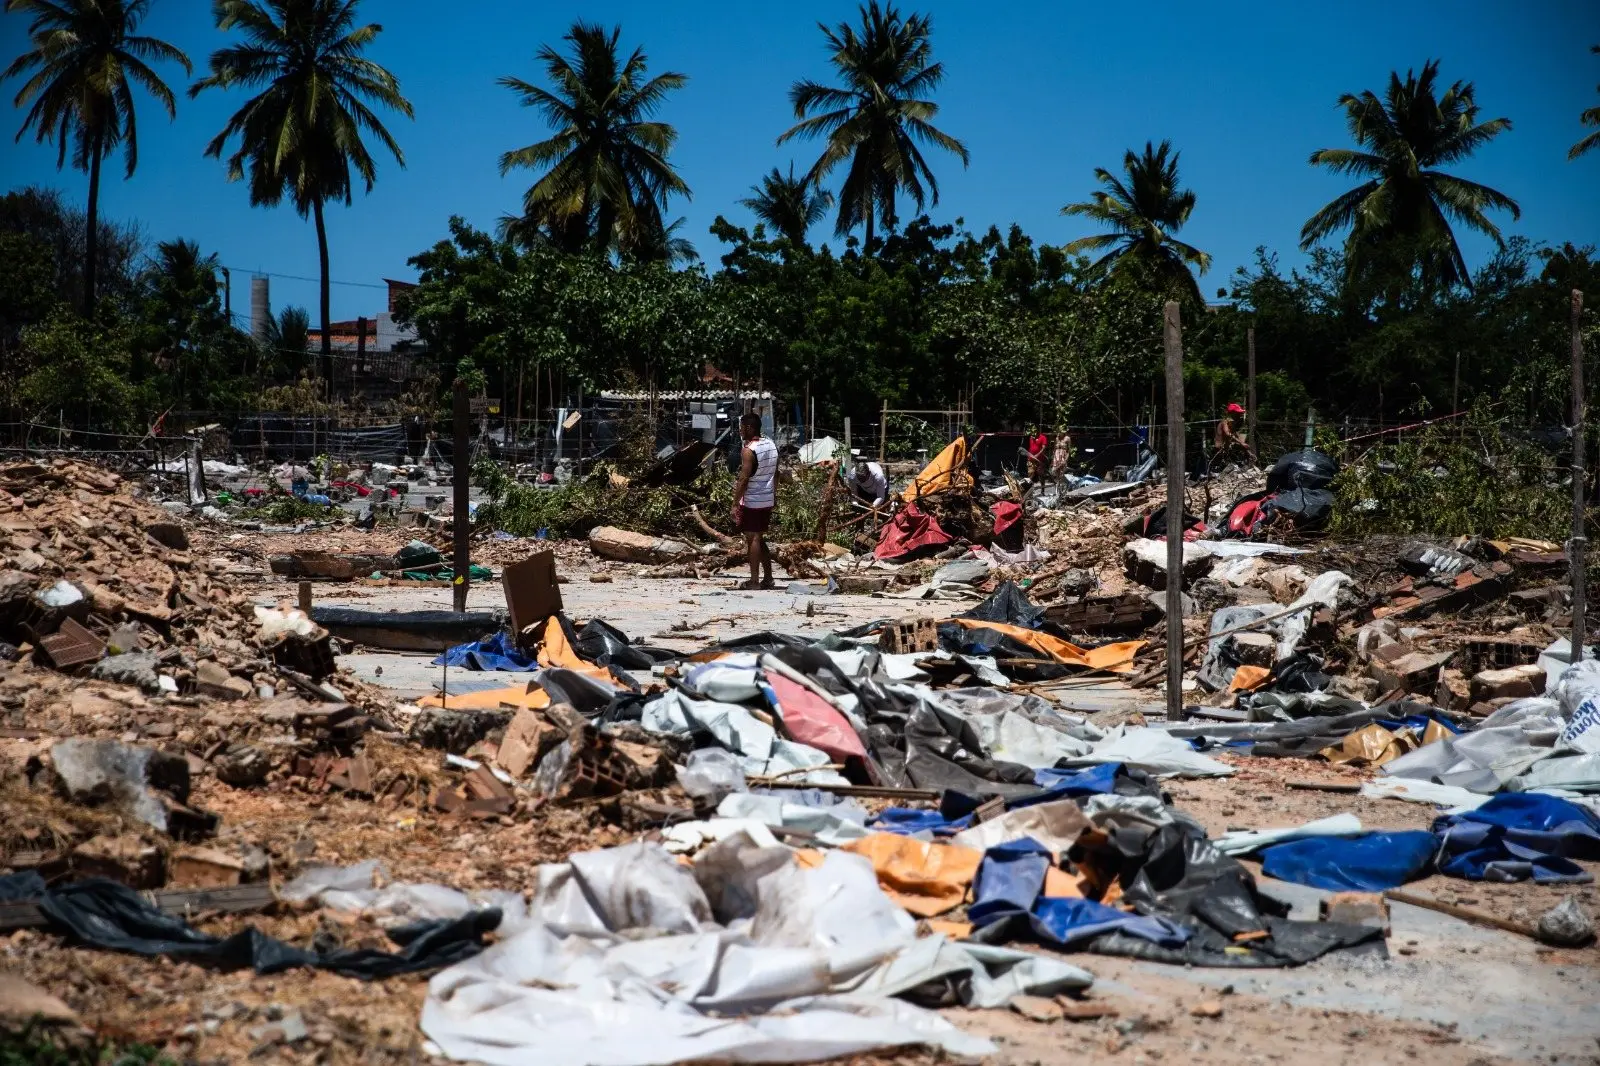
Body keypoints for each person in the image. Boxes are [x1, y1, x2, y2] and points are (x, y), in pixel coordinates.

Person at [731, 412, 777, 589]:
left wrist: (735, 503)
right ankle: (768, 578)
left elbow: (743, 479)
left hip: (753, 500)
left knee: (753, 538)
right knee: (759, 537)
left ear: (749, 428)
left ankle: (754, 581)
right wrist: (774, 494)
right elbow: (777, 473)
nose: (740, 430)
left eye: (742, 427)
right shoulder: (771, 445)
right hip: (767, 497)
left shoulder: (749, 450)